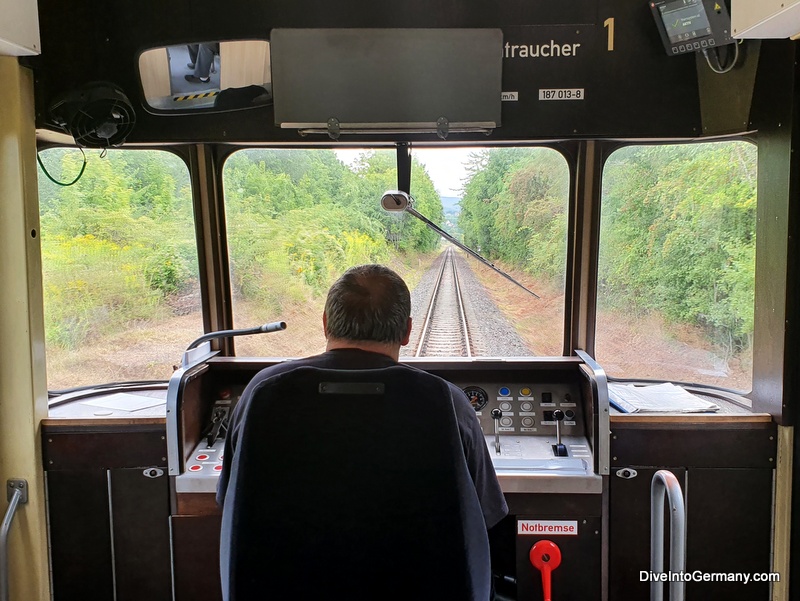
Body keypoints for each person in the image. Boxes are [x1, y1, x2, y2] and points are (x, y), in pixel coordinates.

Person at [216, 263, 508, 530]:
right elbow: (483, 513)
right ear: (406, 331)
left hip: (281, 587)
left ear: (326, 323)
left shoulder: (263, 391)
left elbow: (229, 497)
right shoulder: (447, 402)